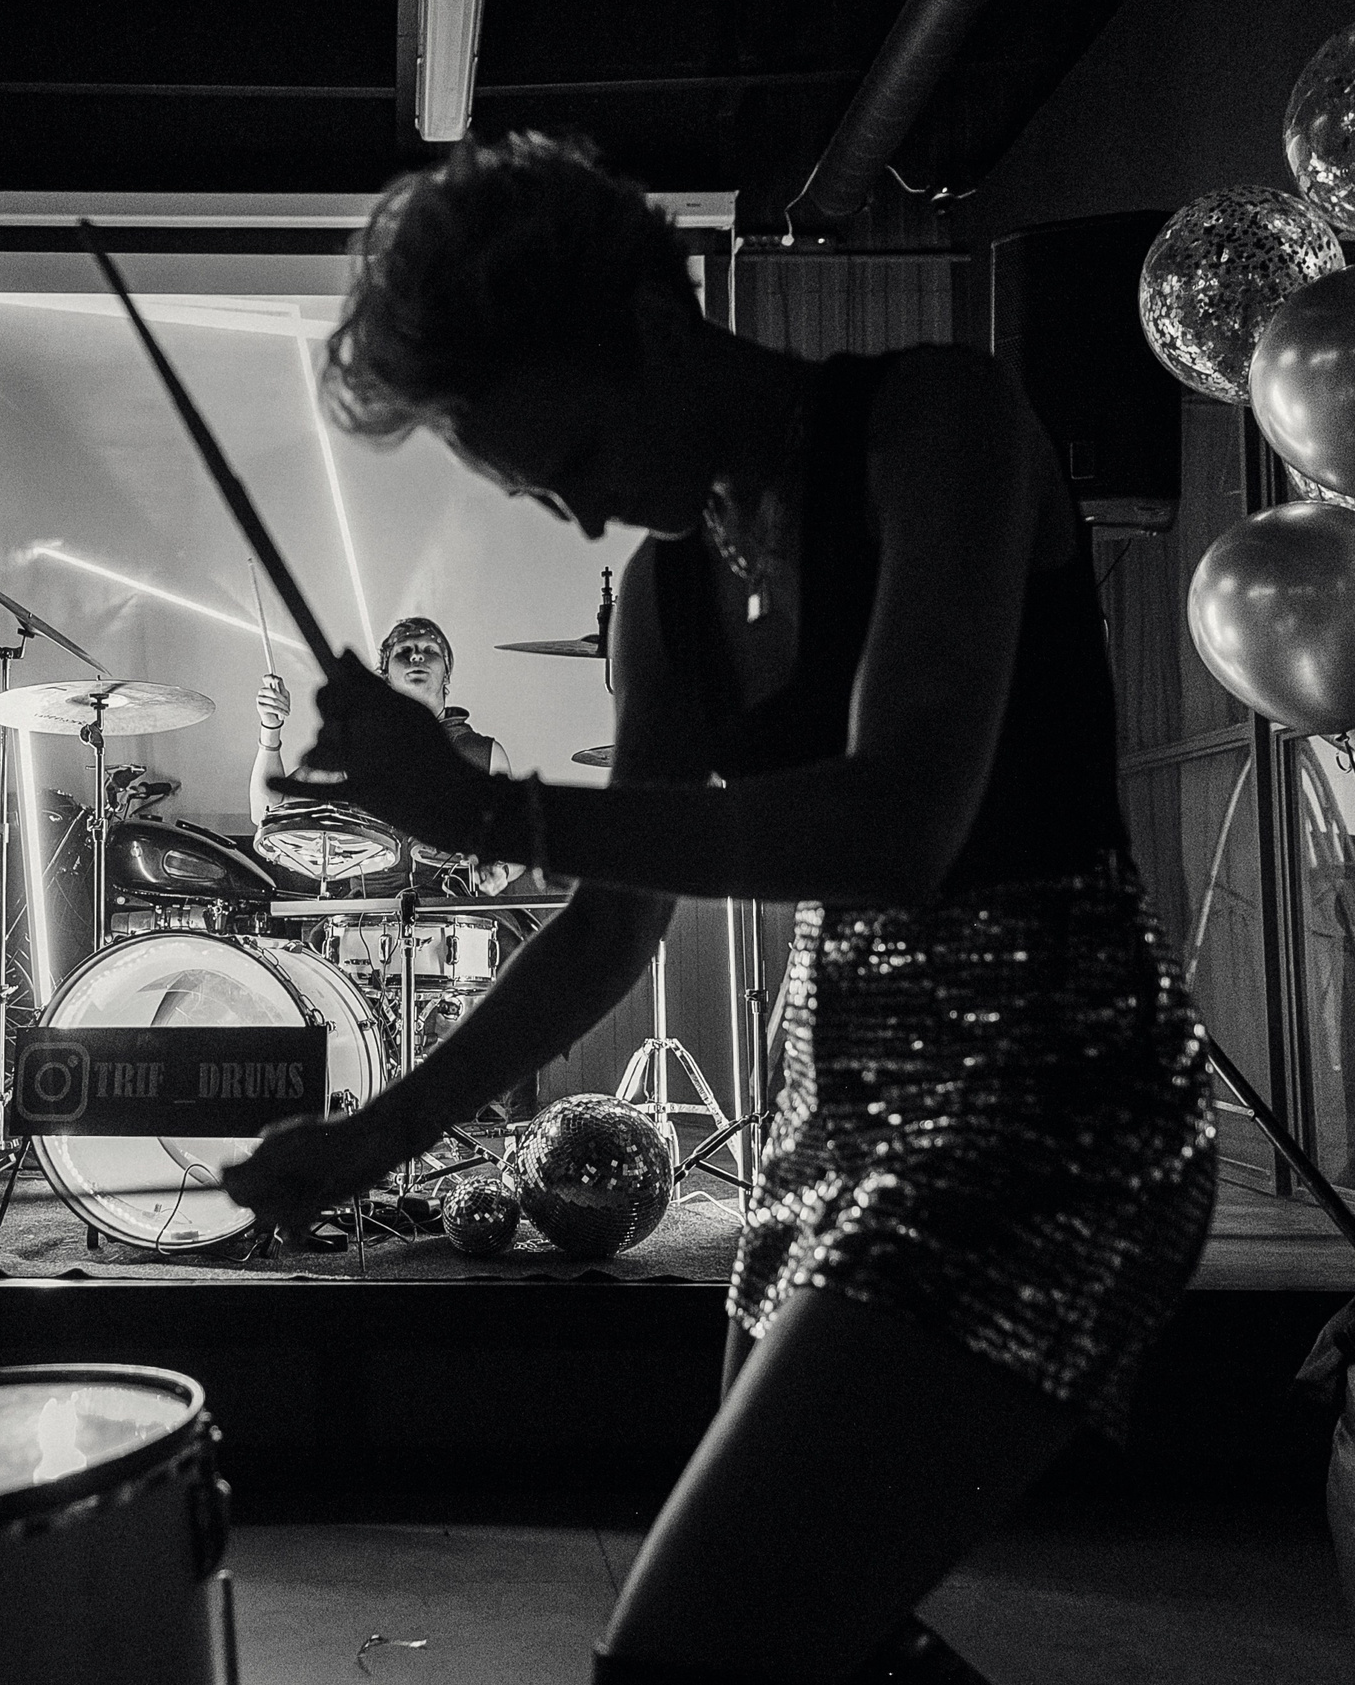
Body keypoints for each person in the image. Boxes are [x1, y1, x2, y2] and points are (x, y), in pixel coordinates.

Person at [222, 134, 1215, 1685]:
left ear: (646, 322)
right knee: (810, 1638)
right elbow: (610, 932)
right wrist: (373, 1140)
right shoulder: (669, 597)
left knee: (688, 1653)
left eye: (571, 460)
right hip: (840, 1108)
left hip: (1052, 1112)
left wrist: (482, 808)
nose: (573, 517)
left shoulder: (937, 424)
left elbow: (899, 827)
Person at [247, 615, 520, 897]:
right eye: (404, 651)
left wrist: (503, 871)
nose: (417, 655)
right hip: (365, 914)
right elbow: (264, 812)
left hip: (456, 912)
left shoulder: (484, 753)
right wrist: (271, 727)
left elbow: (517, 840)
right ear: (385, 673)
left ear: (446, 672)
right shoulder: (359, 748)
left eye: (430, 650)